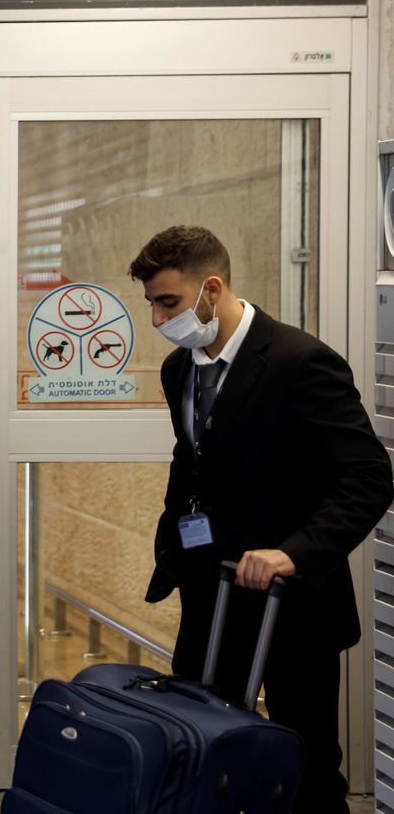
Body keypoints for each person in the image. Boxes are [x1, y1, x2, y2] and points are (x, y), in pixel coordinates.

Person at [129, 225, 391, 814]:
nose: (157, 319)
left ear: (212, 288)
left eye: (168, 302)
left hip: (289, 604)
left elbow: (369, 477)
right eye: (150, 303)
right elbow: (193, 458)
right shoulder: (181, 370)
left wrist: (295, 551)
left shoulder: (301, 362)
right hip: (212, 594)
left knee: (307, 766)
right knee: (204, 754)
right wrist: (175, 542)